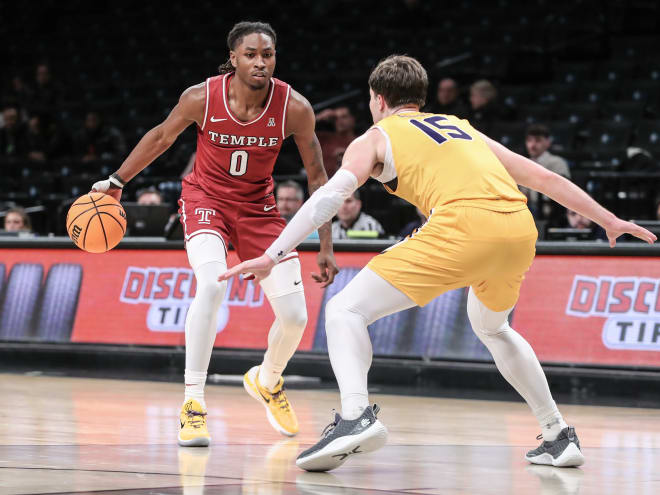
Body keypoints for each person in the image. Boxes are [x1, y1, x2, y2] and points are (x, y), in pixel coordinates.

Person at [219, 55, 656, 472]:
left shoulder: (376, 136)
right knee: (493, 326)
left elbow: (330, 197)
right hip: (519, 229)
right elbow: (542, 178)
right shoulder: (459, 126)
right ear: (421, 96)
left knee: (344, 309)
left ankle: (356, 415)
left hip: (463, 228)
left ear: (377, 99)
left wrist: (272, 254)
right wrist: (608, 219)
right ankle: (558, 434)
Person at [91, 21, 338, 447]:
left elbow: (319, 181)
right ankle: (193, 402)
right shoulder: (201, 97)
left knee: (296, 317)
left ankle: (268, 379)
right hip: (205, 198)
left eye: (268, 54)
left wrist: (326, 246)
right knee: (209, 285)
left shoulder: (294, 107)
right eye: (251, 55)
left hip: (259, 210)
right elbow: (162, 137)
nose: (261, 62)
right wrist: (117, 180)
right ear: (234, 58)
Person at [524, 124, 571, 222]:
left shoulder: (557, 162)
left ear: (548, 142)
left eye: (537, 140)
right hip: (526, 212)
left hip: (551, 214)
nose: (532, 145)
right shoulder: (523, 162)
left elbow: (564, 193)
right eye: (529, 140)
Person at [315, 106, 357, 178]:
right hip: (325, 184)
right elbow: (300, 130)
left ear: (352, 119)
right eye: (336, 118)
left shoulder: (360, 140)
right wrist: (319, 117)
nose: (340, 121)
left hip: (355, 184)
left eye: (344, 117)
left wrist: (348, 154)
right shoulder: (325, 138)